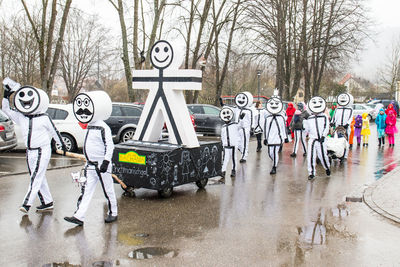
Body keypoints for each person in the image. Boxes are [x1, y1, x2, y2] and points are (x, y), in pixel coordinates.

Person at [2, 78, 66, 213]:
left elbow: (54, 132)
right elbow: (6, 110)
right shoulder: (22, 117)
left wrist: (62, 145)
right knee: (38, 176)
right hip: (30, 151)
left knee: (36, 177)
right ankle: (47, 202)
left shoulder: (44, 118)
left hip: (42, 150)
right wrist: (6, 96)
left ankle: (27, 203)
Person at [64, 91, 117, 226]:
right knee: (86, 191)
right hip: (90, 166)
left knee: (108, 189)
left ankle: (113, 212)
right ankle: (79, 216)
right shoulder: (89, 126)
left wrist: (106, 161)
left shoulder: (102, 127)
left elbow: (109, 145)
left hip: (101, 165)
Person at [304, 96, 331, 180]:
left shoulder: (324, 117)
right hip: (312, 139)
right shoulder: (310, 118)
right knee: (310, 156)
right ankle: (311, 173)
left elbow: (326, 127)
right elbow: (307, 130)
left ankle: (327, 167)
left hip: (321, 140)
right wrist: (304, 122)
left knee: (322, 156)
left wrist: (323, 136)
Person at [263, 96, 288, 174]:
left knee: (274, 152)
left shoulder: (281, 117)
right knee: (270, 153)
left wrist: (285, 137)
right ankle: (275, 161)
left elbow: (283, 128)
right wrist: (265, 138)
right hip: (270, 138)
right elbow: (266, 128)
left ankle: (274, 167)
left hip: (277, 138)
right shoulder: (268, 118)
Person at [331, 93, 353, 158]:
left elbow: (350, 117)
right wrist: (332, 122)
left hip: (345, 127)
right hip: (338, 127)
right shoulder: (338, 109)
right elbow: (334, 117)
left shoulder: (350, 109)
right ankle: (337, 153)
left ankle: (345, 155)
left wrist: (347, 124)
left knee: (346, 141)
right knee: (336, 140)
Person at [219, 106, 239, 181]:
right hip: (226, 145)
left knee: (234, 158)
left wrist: (241, 119)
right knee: (225, 158)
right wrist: (222, 144)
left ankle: (233, 170)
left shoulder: (235, 125)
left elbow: (241, 126)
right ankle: (223, 171)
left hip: (233, 145)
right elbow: (222, 136)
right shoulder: (223, 127)